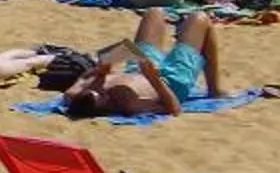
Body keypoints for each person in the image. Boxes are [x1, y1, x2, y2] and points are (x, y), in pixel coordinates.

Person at [61, 7, 228, 119]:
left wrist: (101, 69)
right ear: (103, 108)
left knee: (154, 12)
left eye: (97, 92)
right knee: (200, 18)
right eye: (103, 98)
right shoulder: (129, 104)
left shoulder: (74, 94)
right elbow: (174, 109)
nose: (104, 93)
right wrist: (154, 78)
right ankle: (214, 89)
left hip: (138, 67)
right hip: (171, 80)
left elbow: (83, 78)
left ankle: (175, 22)